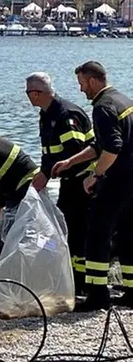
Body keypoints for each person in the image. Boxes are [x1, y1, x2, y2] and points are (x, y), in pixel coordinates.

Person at [52, 61, 133, 311]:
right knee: (129, 234)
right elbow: (101, 144)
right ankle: (131, 290)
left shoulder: (102, 106)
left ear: (94, 80)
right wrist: (71, 161)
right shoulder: (123, 100)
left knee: (97, 234)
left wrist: (96, 176)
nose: (81, 90)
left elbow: (112, 147)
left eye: (82, 83)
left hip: (118, 180)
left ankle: (98, 295)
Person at [25, 71, 95, 296]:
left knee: (77, 231)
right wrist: (42, 174)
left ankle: (82, 282)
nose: (27, 97)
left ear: (36, 93)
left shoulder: (65, 115)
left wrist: (47, 173)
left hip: (82, 181)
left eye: (28, 93)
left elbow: (73, 152)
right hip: (68, 182)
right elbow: (49, 152)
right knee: (63, 229)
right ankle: (71, 277)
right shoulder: (47, 114)